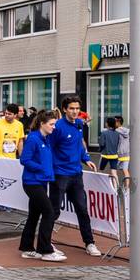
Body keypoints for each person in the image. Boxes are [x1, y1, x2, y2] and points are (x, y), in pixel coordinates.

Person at [50, 95, 100, 256]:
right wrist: (50, 169)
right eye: (71, 108)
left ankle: (90, 243)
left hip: (76, 174)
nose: (75, 111)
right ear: (64, 109)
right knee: (54, 211)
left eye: (77, 108)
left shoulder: (79, 124)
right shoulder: (57, 127)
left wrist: (86, 159)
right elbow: (49, 147)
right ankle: (46, 242)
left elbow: (79, 145)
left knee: (82, 209)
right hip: (60, 174)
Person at [19, 110, 63, 261]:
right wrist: (41, 168)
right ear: (42, 124)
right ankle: (45, 250)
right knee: (49, 213)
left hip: (41, 181)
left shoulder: (46, 138)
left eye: (54, 124)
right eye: (51, 124)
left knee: (34, 215)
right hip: (32, 182)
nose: (54, 127)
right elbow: (24, 159)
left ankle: (27, 248)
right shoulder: (33, 139)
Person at [98, 116, 122, 185]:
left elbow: (102, 144)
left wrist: (100, 149)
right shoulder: (117, 133)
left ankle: (101, 185)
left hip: (105, 155)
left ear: (107, 124)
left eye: (106, 122)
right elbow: (118, 143)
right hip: (114, 156)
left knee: (100, 171)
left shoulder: (104, 133)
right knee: (114, 173)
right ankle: (116, 187)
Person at [115, 115, 131, 183]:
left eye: (114, 121)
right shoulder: (127, 131)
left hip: (119, 153)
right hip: (127, 153)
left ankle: (115, 186)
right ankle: (127, 187)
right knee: (125, 170)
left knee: (113, 170)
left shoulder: (116, 131)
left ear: (118, 122)